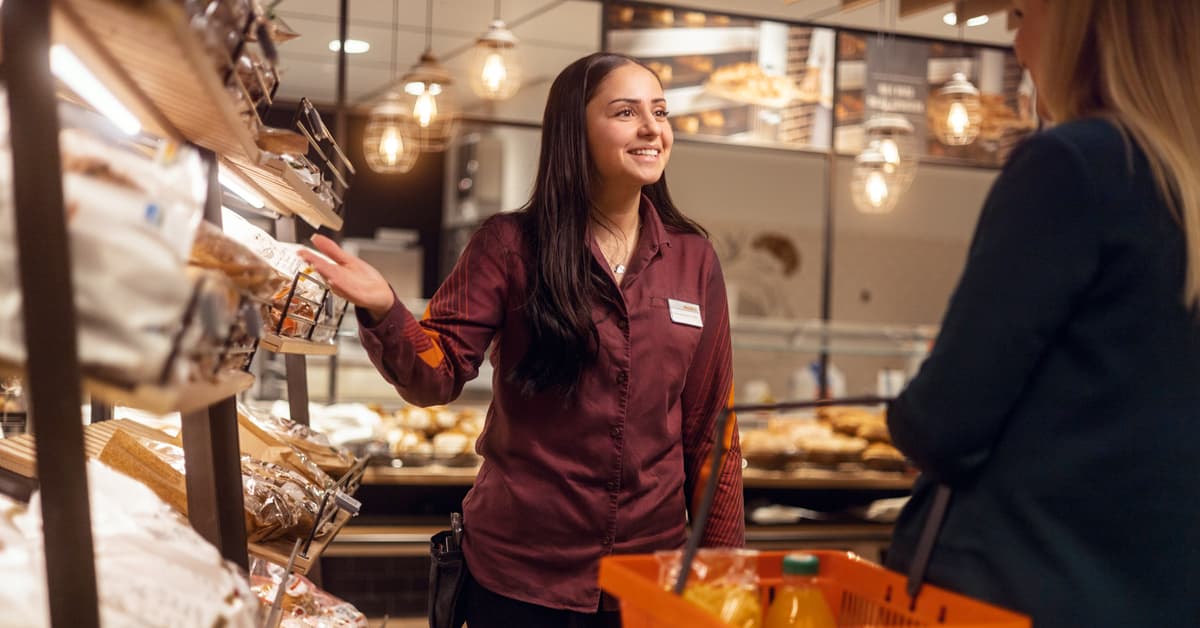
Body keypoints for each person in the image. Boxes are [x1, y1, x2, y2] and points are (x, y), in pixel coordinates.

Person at [300, 52, 745, 627]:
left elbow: (714, 427)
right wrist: (386, 307)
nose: (651, 128)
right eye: (625, 112)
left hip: (649, 582)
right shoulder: (510, 245)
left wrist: (725, 571)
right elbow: (437, 374)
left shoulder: (694, 258)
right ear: (574, 130)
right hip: (521, 580)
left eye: (659, 111)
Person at [884, 1, 1200, 625]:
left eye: (1026, 12)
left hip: (1019, 592)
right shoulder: (1180, 181)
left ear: (1083, 24)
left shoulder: (1075, 164)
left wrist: (910, 409)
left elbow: (943, 423)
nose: (1018, 43)